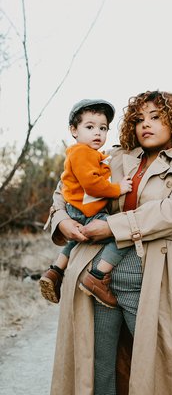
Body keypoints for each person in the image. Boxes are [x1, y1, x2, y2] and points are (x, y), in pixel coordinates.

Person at [46, 90, 172, 395]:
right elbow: (67, 186)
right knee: (100, 364)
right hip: (95, 278)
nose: (145, 124)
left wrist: (111, 226)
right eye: (139, 119)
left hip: (149, 275)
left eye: (156, 117)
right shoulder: (118, 157)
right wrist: (61, 220)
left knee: (159, 360)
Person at [39, 99, 132, 308]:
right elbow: (92, 185)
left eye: (103, 128)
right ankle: (98, 276)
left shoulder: (89, 153)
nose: (97, 133)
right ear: (74, 130)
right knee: (121, 233)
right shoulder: (82, 152)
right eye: (89, 127)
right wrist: (119, 188)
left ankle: (55, 270)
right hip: (84, 209)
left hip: (77, 208)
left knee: (75, 240)